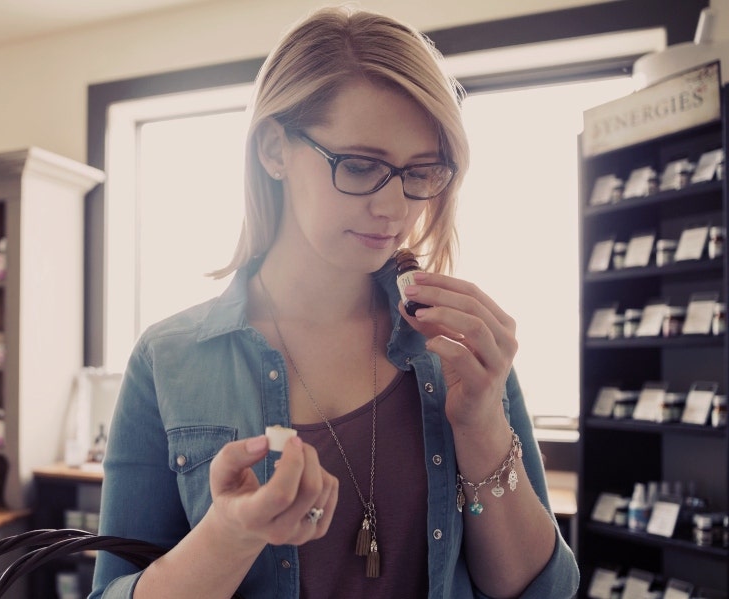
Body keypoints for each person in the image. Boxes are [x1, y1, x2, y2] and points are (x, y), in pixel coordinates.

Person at [90, 6, 580, 599]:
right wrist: (228, 536)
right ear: (274, 149)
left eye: (421, 172)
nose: (396, 208)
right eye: (361, 165)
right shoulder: (169, 360)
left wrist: (481, 428)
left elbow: (539, 590)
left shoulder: (458, 350)